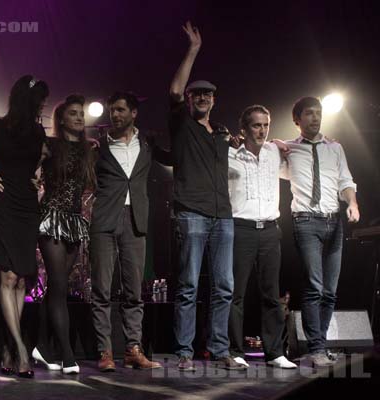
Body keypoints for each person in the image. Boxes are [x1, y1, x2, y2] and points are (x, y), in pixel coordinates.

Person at [168, 22, 244, 370]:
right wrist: (194, 50)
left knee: (224, 286)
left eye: (207, 95)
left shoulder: (222, 133)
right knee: (187, 285)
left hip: (223, 216)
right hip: (192, 213)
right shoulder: (183, 125)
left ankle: (219, 348)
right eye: (196, 94)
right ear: (189, 99)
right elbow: (173, 89)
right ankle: (184, 352)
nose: (201, 98)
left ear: (215, 100)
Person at [90, 91, 167, 372]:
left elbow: (174, 156)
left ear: (134, 113)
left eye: (121, 110)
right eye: (113, 110)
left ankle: (134, 349)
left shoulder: (147, 143)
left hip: (136, 220)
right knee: (102, 290)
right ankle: (105, 352)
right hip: (104, 221)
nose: (116, 114)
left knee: (134, 290)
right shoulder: (98, 147)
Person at [281, 96, 359, 367]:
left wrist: (352, 203)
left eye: (318, 113)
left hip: (333, 221)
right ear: (297, 119)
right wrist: (275, 147)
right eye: (309, 114)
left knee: (330, 290)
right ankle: (315, 349)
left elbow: (345, 180)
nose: (315, 118)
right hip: (305, 221)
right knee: (314, 286)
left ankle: (321, 346)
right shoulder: (288, 149)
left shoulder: (335, 147)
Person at [0, 75, 49, 378]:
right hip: (3, 201)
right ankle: (21, 350)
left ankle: (8, 347)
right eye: (39, 99)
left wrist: (38, 177)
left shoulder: (39, 131)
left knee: (23, 280)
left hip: (27, 204)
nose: (43, 105)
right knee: (8, 276)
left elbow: (37, 165)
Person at [227, 105, 297, 369]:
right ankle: (234, 351)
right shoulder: (230, 153)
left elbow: (304, 150)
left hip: (269, 229)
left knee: (271, 293)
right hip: (240, 228)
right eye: (257, 125)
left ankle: (275, 352)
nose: (262, 131)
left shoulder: (274, 151)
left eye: (266, 125)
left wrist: (330, 144)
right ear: (243, 129)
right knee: (236, 293)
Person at [31, 94, 96, 374]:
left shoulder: (88, 149)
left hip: (73, 220)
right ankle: (67, 354)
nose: (80, 118)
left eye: (81, 113)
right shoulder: (50, 145)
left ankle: (42, 347)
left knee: (59, 287)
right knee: (58, 284)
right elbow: (29, 169)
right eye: (73, 113)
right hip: (50, 217)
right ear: (61, 118)